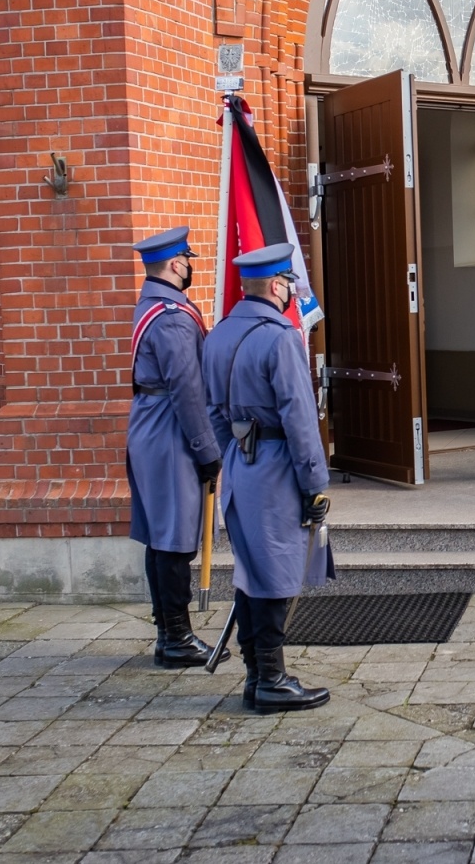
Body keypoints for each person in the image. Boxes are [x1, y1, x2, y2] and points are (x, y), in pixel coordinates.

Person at [203, 243, 331, 713]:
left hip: (240, 467)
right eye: (291, 287)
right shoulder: (280, 338)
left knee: (252, 572)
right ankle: (272, 680)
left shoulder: (217, 335)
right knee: (275, 572)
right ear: (277, 286)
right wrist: (315, 482)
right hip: (277, 466)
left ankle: (257, 675)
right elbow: (299, 419)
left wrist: (232, 455)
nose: (294, 295)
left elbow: (214, 411)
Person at [127, 227, 220, 668]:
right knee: (176, 538)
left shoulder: (152, 305)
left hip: (151, 423)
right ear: (176, 264)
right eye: (188, 260)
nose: (191, 266)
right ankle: (177, 638)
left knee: (162, 538)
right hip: (170, 432)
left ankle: (168, 632)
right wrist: (206, 449)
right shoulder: (172, 317)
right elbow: (187, 389)